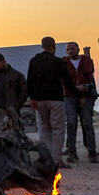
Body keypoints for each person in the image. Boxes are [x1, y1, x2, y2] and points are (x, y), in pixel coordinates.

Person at [27, 37, 78, 168]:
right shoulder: (58, 62)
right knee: (58, 129)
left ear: (42, 46)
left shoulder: (34, 61)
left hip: (39, 100)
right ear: (53, 46)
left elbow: (30, 81)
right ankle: (56, 159)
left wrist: (32, 98)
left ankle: (47, 157)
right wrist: (79, 95)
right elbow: (67, 81)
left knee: (44, 128)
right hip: (55, 99)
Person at [63, 42, 96, 163]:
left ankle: (92, 153)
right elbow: (62, 80)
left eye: (72, 49)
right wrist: (76, 88)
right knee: (71, 123)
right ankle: (72, 152)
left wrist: (87, 56)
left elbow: (90, 71)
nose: (70, 51)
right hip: (70, 96)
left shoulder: (85, 60)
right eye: (68, 49)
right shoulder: (63, 62)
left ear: (78, 49)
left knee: (87, 123)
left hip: (86, 96)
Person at [0, 53, 28, 128]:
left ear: (3, 61)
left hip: (11, 111)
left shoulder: (16, 75)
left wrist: (15, 105)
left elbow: (24, 91)